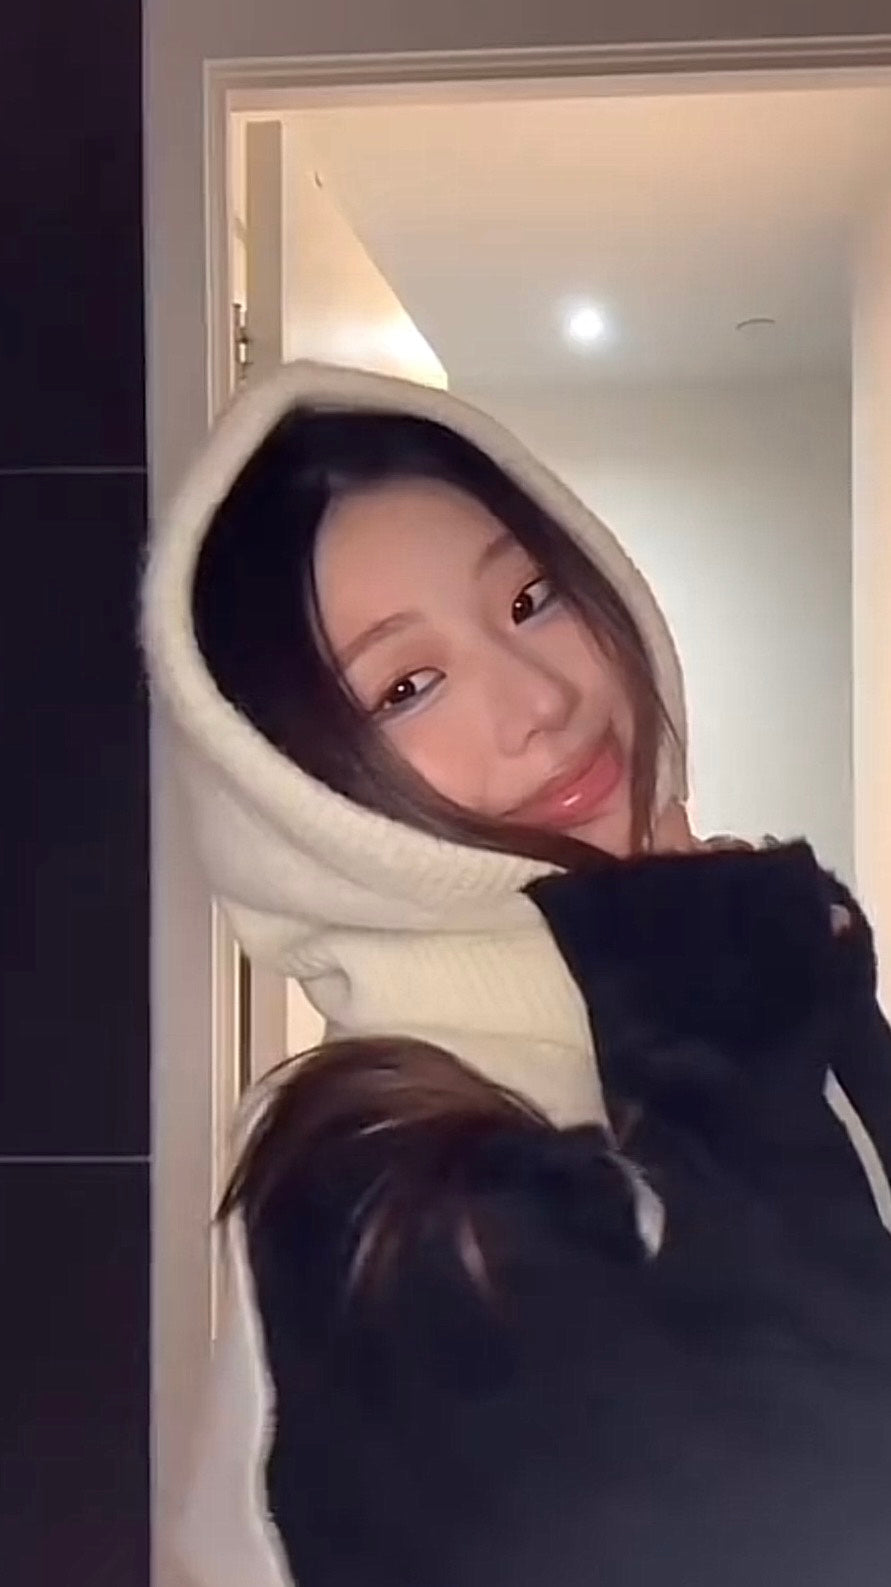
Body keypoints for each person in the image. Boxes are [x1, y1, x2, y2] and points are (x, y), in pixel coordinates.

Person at [143, 361, 891, 1587]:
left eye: (532, 598)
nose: (541, 699)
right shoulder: (367, 1164)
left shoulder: (704, 985)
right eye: (407, 687)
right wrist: (725, 1011)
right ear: (302, 795)